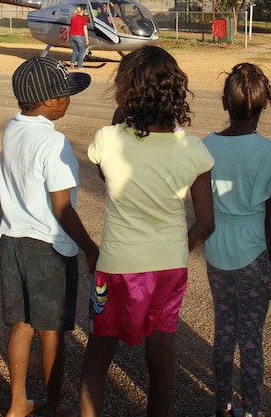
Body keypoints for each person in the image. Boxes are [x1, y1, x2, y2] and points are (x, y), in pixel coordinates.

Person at [79, 46, 215, 417]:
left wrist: (120, 119)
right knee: (161, 353)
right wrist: (173, 249)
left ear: (125, 94)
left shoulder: (107, 139)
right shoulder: (193, 149)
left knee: (98, 352)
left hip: (117, 264)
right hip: (169, 266)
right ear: (174, 92)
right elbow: (206, 222)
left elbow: (105, 174)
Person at [0, 56, 98, 417]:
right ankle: (53, 407)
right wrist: (90, 248)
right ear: (51, 101)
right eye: (67, 95)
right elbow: (63, 209)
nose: (69, 101)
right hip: (48, 248)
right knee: (51, 333)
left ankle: (17, 402)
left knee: (21, 326)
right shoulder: (55, 143)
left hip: (11, 240)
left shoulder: (12, 128)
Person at [202, 62, 271, 417]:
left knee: (223, 330)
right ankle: (252, 410)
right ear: (262, 105)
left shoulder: (206, 145)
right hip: (255, 252)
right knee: (251, 339)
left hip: (216, 249)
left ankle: (222, 406)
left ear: (226, 104)